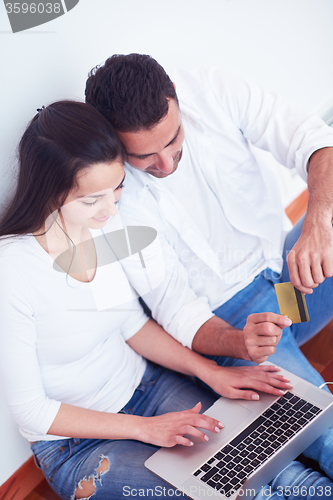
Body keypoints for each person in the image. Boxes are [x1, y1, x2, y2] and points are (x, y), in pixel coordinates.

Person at [0, 101, 323, 500]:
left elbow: (131, 326)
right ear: (51, 192)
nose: (110, 208)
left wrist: (212, 373)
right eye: (92, 199)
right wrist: (146, 429)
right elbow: (32, 412)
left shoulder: (100, 228)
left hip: (150, 387)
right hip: (76, 444)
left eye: (116, 188)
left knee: (278, 465)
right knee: (237, 492)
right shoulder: (12, 272)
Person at [84, 54, 333, 479]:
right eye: (145, 157)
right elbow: (178, 310)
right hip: (238, 322)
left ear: (176, 99)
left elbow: (311, 139)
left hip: (292, 282)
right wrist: (241, 344)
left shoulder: (214, 89)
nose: (165, 163)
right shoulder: (113, 203)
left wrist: (317, 222)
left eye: (173, 139)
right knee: (321, 431)